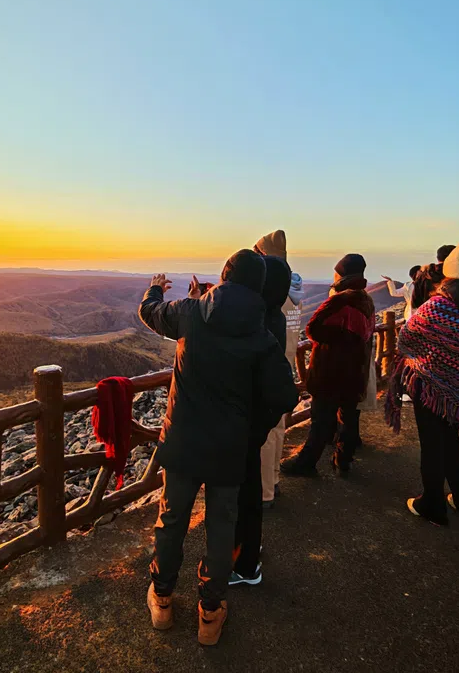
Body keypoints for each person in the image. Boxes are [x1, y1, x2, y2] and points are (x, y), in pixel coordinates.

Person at [138, 250, 299, 645]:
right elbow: (284, 395)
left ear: (224, 275)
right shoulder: (261, 335)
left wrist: (154, 288)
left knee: (172, 519)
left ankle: (161, 598)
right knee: (220, 526)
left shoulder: (190, 313)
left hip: (183, 444)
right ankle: (210, 613)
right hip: (230, 449)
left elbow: (151, 312)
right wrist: (252, 430)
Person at [385, 240, 459, 526]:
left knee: (433, 445)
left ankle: (432, 503)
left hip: (431, 385)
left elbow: (407, 338)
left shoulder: (440, 304)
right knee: (448, 442)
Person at [226, 232, 295, 591]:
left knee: (243, 493)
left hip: (244, 425)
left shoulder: (258, 326)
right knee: (247, 489)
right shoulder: (274, 317)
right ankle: (248, 551)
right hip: (255, 423)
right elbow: (285, 393)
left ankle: (244, 562)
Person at [281, 254, 375, 477]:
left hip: (332, 372)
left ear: (341, 274)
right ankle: (344, 460)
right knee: (349, 417)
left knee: (321, 420)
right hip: (355, 370)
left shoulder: (341, 300)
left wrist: (338, 336)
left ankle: (306, 463)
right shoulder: (365, 299)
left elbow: (313, 329)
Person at [252, 231, 301, 513]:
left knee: (264, 434)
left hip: (267, 369)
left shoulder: (269, 292)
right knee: (278, 428)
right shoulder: (293, 289)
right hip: (286, 366)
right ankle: (274, 479)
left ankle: (264, 492)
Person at [411, 244, 456, 311]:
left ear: (438, 258)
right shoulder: (455, 276)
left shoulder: (422, 276)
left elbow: (415, 303)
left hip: (427, 316)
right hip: (453, 318)